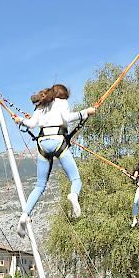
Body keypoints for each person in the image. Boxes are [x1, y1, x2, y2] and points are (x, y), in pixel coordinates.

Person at [13, 84, 96, 238]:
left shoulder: (41, 106)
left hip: (43, 144)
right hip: (58, 142)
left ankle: (24, 214)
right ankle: (73, 195)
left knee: (39, 186)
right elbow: (68, 118)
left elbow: (31, 124)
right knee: (76, 179)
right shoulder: (61, 102)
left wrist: (20, 120)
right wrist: (86, 112)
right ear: (63, 95)